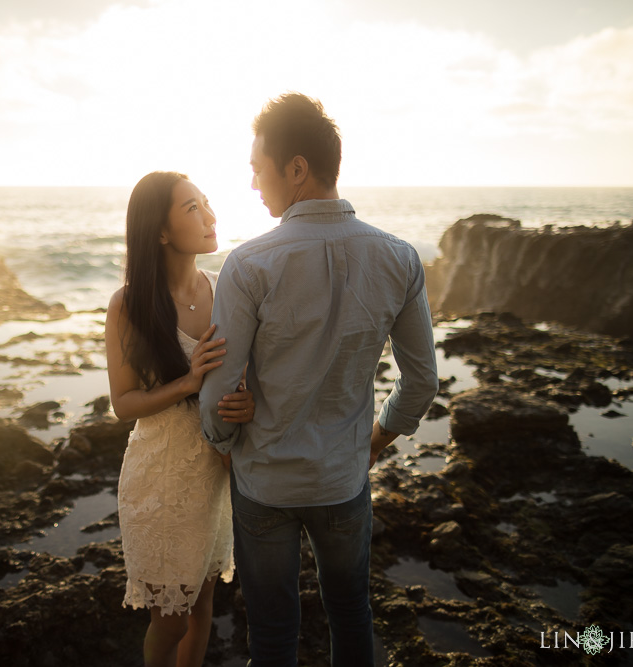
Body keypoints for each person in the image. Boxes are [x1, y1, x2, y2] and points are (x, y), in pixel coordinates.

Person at [199, 93, 440, 666]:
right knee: (352, 616)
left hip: (264, 485)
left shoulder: (249, 264)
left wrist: (225, 446)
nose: (254, 185)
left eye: (259, 170)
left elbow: (217, 391)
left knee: (275, 636)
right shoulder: (400, 257)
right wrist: (377, 438)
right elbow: (422, 380)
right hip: (343, 479)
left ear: (297, 169)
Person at [105, 171, 255, 667]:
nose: (210, 217)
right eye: (192, 208)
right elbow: (123, 402)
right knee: (169, 617)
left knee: (204, 602)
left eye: (207, 203)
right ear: (161, 231)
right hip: (160, 476)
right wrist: (187, 385)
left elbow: (246, 376)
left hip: (214, 474)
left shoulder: (224, 290)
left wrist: (249, 403)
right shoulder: (128, 304)